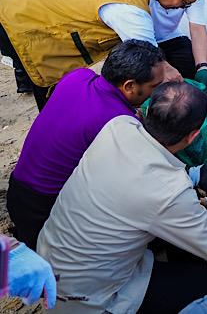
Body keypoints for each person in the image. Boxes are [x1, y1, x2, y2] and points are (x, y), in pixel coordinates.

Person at [37, 82, 207, 313]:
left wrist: (193, 175)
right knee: (204, 284)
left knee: (180, 237)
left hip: (52, 259)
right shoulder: (170, 192)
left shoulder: (118, 126)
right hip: (87, 299)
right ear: (194, 135)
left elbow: (132, 177)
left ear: (145, 112)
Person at [6, 40, 173, 249]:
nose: (158, 91)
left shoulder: (78, 77)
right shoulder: (117, 123)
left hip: (18, 192)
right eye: (155, 86)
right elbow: (144, 178)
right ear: (129, 86)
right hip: (47, 210)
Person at [0, 0, 207, 109]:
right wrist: (170, 73)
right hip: (20, 16)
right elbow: (150, 59)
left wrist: (201, 66)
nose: (181, 8)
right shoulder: (130, 10)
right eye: (184, 3)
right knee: (50, 82)